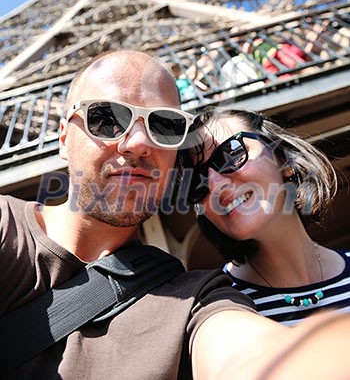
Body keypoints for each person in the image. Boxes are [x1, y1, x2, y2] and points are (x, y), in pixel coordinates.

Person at [1, 50, 350, 380]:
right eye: (105, 119)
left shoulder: (196, 300)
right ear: (63, 138)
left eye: (165, 125)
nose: (137, 142)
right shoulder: (6, 227)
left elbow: (252, 356)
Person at [185, 106, 350, 326]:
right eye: (195, 181)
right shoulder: (216, 313)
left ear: (282, 159)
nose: (215, 185)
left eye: (230, 153)